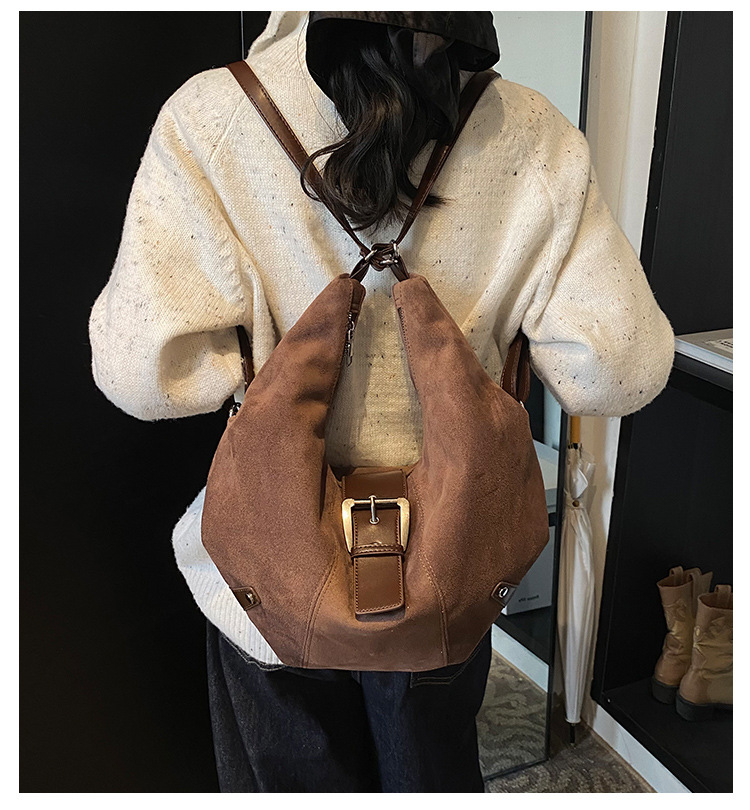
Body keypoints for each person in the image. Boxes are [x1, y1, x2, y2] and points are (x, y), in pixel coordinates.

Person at [88, 10, 675, 792]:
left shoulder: (211, 116)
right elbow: (619, 370)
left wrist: (249, 349)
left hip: (268, 584)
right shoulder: (529, 130)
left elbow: (143, 376)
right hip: (449, 577)